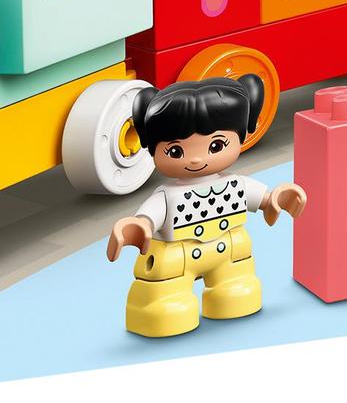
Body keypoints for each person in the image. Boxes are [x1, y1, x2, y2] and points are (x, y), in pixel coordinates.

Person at [106, 75, 302, 337]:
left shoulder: (235, 184)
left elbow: (263, 198)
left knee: (237, 285)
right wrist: (140, 225)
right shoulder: (166, 196)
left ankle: (232, 290)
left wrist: (275, 199)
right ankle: (161, 306)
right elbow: (149, 217)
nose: (197, 160)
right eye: (176, 151)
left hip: (229, 250)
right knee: (165, 300)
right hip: (176, 257)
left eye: (216, 145)